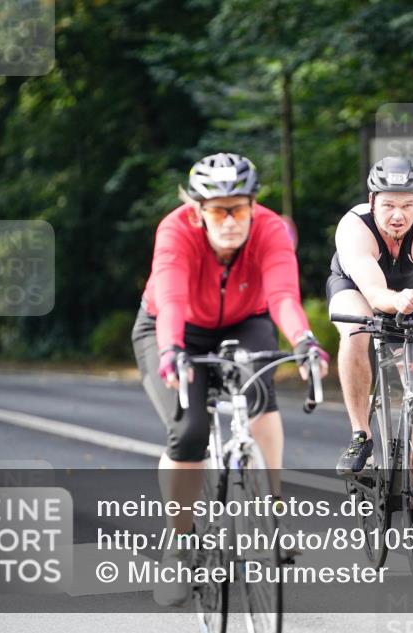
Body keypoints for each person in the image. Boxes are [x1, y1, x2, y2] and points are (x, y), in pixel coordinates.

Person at [132, 152, 328, 606]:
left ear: (253, 205)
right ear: (198, 209)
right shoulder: (175, 230)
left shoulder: (270, 229)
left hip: (245, 320)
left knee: (260, 396)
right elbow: (173, 295)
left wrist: (303, 339)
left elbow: (281, 294)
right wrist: (172, 351)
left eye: (239, 207)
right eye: (218, 209)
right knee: (189, 430)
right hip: (171, 328)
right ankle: (179, 545)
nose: (230, 219)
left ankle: (269, 511)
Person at [326, 156, 413, 475]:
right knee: (355, 330)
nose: (398, 215)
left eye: (407, 206)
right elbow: (375, 295)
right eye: (389, 206)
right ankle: (360, 435)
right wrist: (397, 302)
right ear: (372, 201)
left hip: (410, 292)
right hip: (358, 288)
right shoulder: (355, 227)